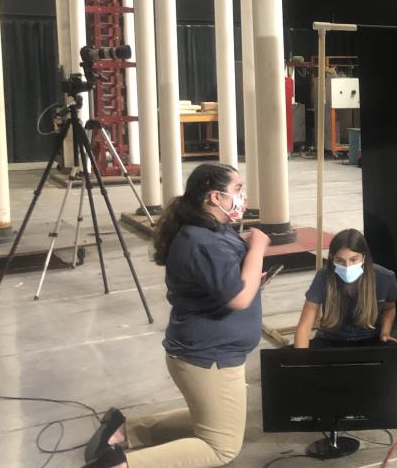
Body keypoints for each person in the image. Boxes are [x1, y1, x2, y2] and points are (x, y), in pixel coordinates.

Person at [83, 163, 269, 468]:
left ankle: (123, 431)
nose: (243, 196)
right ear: (214, 197)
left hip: (210, 353)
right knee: (221, 447)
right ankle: (121, 466)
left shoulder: (211, 229)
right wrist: (258, 248)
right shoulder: (204, 241)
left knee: (217, 420)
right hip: (210, 357)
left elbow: (226, 285)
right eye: (237, 189)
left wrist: (248, 272)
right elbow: (239, 297)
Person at [293, 229, 397, 348]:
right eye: (340, 261)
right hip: (330, 338)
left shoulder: (384, 277)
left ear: (364, 257)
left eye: (354, 259)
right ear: (332, 258)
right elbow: (305, 325)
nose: (347, 266)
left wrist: (385, 332)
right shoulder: (323, 276)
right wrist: (301, 359)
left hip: (370, 338)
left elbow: (389, 309)